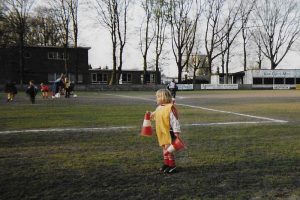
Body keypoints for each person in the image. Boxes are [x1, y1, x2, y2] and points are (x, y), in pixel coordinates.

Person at [150, 89, 181, 174]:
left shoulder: (170, 108)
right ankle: (166, 164)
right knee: (164, 148)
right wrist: (150, 116)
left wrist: (176, 132)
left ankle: (172, 165)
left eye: (158, 97)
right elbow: (157, 116)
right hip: (161, 131)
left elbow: (174, 121)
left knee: (168, 149)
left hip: (169, 132)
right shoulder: (159, 107)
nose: (156, 98)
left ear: (163, 98)